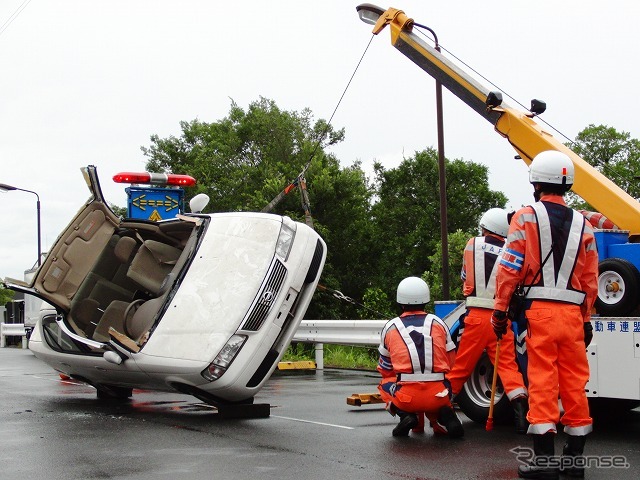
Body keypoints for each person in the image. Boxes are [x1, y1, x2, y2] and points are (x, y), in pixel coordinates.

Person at [491, 150, 598, 479]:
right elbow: (590, 278)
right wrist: (586, 317)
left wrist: (499, 311)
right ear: (566, 183)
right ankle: (574, 460)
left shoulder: (524, 217)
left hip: (539, 314)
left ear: (536, 182)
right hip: (572, 316)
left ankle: (545, 462)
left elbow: (509, 268)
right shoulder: (585, 224)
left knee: (541, 383)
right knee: (575, 386)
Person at [447, 208, 529, 433]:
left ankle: (443, 411)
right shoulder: (511, 250)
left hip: (476, 316)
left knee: (462, 367)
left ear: (486, 227)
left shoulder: (472, 244)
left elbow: (465, 277)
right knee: (508, 368)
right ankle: (521, 413)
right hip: (500, 319)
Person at [377, 276, 464, 438]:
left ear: (400, 302)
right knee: (443, 384)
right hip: (438, 394)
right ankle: (442, 415)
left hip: (407, 397)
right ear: (426, 300)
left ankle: (406, 416)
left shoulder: (390, 327)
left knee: (384, 384)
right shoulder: (439, 323)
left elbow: (385, 370)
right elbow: (452, 363)